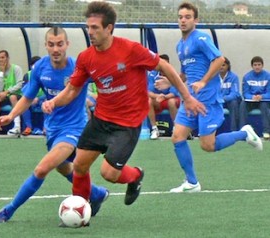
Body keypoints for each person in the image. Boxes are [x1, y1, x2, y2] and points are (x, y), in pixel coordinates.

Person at [42, 1, 205, 215]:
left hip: (127, 124)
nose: (90, 32)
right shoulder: (86, 57)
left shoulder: (130, 50)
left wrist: (187, 97)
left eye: (95, 28)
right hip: (101, 120)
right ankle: (81, 210)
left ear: (109, 28)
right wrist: (54, 102)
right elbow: (72, 90)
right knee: (80, 165)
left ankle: (136, 176)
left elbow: (163, 66)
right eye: (88, 27)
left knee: (108, 173)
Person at [0, 27, 108, 224]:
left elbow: (104, 83)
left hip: (74, 130)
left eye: (60, 44)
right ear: (46, 46)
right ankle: (97, 194)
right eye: (51, 44)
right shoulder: (40, 68)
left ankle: (8, 211)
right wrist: (10, 116)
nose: (55, 49)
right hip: (53, 130)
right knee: (64, 168)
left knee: (42, 169)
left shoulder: (79, 67)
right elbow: (28, 97)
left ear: (67, 45)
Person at [165, 2, 262, 193]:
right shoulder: (180, 45)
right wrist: (170, 82)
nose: (183, 20)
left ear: (196, 20)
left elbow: (220, 60)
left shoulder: (201, 38)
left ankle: (244, 134)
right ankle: (192, 183)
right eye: (180, 17)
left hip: (207, 100)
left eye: (188, 17)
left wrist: (202, 81)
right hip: (191, 100)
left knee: (208, 145)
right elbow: (184, 74)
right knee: (177, 137)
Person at [0, 50, 23, 135]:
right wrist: (2, 73)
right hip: (4, 96)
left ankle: (17, 127)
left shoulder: (16, 69)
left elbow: (20, 84)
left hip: (16, 95)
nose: (1, 60)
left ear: (8, 58)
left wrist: (7, 91)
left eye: (3, 57)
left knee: (12, 97)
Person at [147, 54, 180, 139]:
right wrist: (158, 96)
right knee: (148, 101)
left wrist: (164, 97)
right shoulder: (152, 74)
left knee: (172, 102)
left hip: (169, 99)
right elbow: (149, 92)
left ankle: (176, 129)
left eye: (165, 64)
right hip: (157, 99)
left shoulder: (173, 73)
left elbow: (173, 93)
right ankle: (154, 129)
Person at [239, 56, 270, 140]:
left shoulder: (268, 76)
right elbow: (245, 93)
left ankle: (266, 132)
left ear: (262, 65)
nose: (257, 67)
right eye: (255, 65)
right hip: (251, 101)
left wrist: (262, 96)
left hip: (264, 101)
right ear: (252, 66)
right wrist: (252, 97)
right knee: (242, 105)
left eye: (259, 64)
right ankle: (242, 132)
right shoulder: (247, 77)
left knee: (264, 106)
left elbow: (269, 92)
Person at [21, 56, 46, 136]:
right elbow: (24, 90)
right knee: (24, 104)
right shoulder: (27, 75)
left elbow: (49, 91)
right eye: (34, 65)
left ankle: (45, 128)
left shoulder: (46, 75)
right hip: (32, 99)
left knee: (47, 103)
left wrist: (40, 98)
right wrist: (32, 98)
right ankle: (28, 127)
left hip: (43, 98)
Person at [220, 57, 241, 131]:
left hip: (229, 101)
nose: (221, 67)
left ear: (228, 66)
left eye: (223, 65)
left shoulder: (233, 77)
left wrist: (223, 98)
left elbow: (234, 93)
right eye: (219, 65)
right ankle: (209, 132)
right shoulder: (213, 77)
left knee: (234, 103)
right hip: (218, 101)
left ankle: (234, 130)